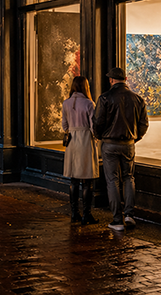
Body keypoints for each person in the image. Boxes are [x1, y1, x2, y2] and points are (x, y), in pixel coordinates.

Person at [92, 67, 149, 232]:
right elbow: (144, 124)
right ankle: (129, 214)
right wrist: (134, 138)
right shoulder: (137, 99)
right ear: (125, 78)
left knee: (112, 181)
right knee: (129, 178)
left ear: (111, 80)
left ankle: (117, 220)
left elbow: (98, 122)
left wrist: (100, 136)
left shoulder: (105, 98)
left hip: (109, 144)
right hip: (129, 144)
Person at [62, 76, 99, 225]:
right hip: (85, 140)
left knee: (74, 180)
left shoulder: (66, 103)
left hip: (72, 141)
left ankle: (74, 213)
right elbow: (93, 127)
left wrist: (72, 128)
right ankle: (86, 215)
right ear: (86, 87)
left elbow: (64, 125)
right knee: (87, 180)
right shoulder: (90, 104)